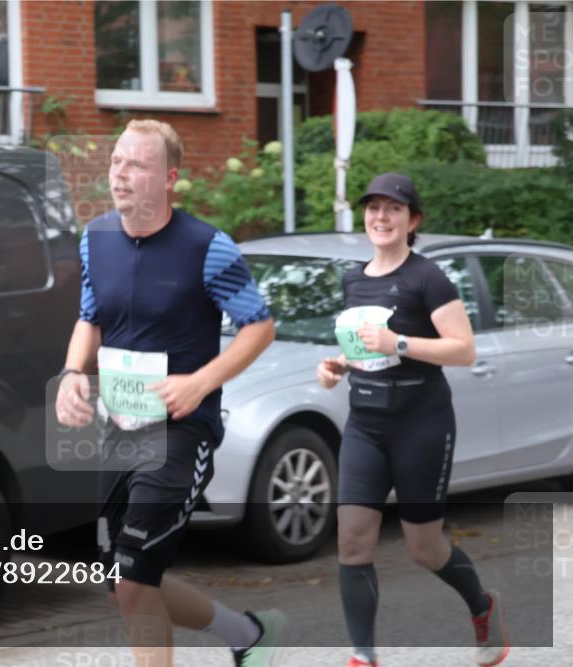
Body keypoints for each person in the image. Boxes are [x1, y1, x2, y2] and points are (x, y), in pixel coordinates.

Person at [54, 119, 284, 667]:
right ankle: (249, 635)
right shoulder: (96, 239)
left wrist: (201, 381)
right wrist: (70, 373)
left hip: (183, 429)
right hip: (122, 426)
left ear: (168, 179)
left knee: (134, 580)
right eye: (117, 161)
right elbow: (90, 317)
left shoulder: (207, 247)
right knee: (125, 581)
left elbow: (260, 326)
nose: (122, 173)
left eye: (137, 164)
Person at [316, 173, 510, 667]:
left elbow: (463, 350)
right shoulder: (354, 278)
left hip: (421, 424)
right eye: (374, 208)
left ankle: (483, 606)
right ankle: (363, 655)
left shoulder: (428, 277)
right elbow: (363, 348)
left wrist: (400, 343)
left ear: (412, 220)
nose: (381, 217)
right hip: (365, 423)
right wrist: (337, 363)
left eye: (393, 209)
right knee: (352, 540)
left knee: (424, 548)